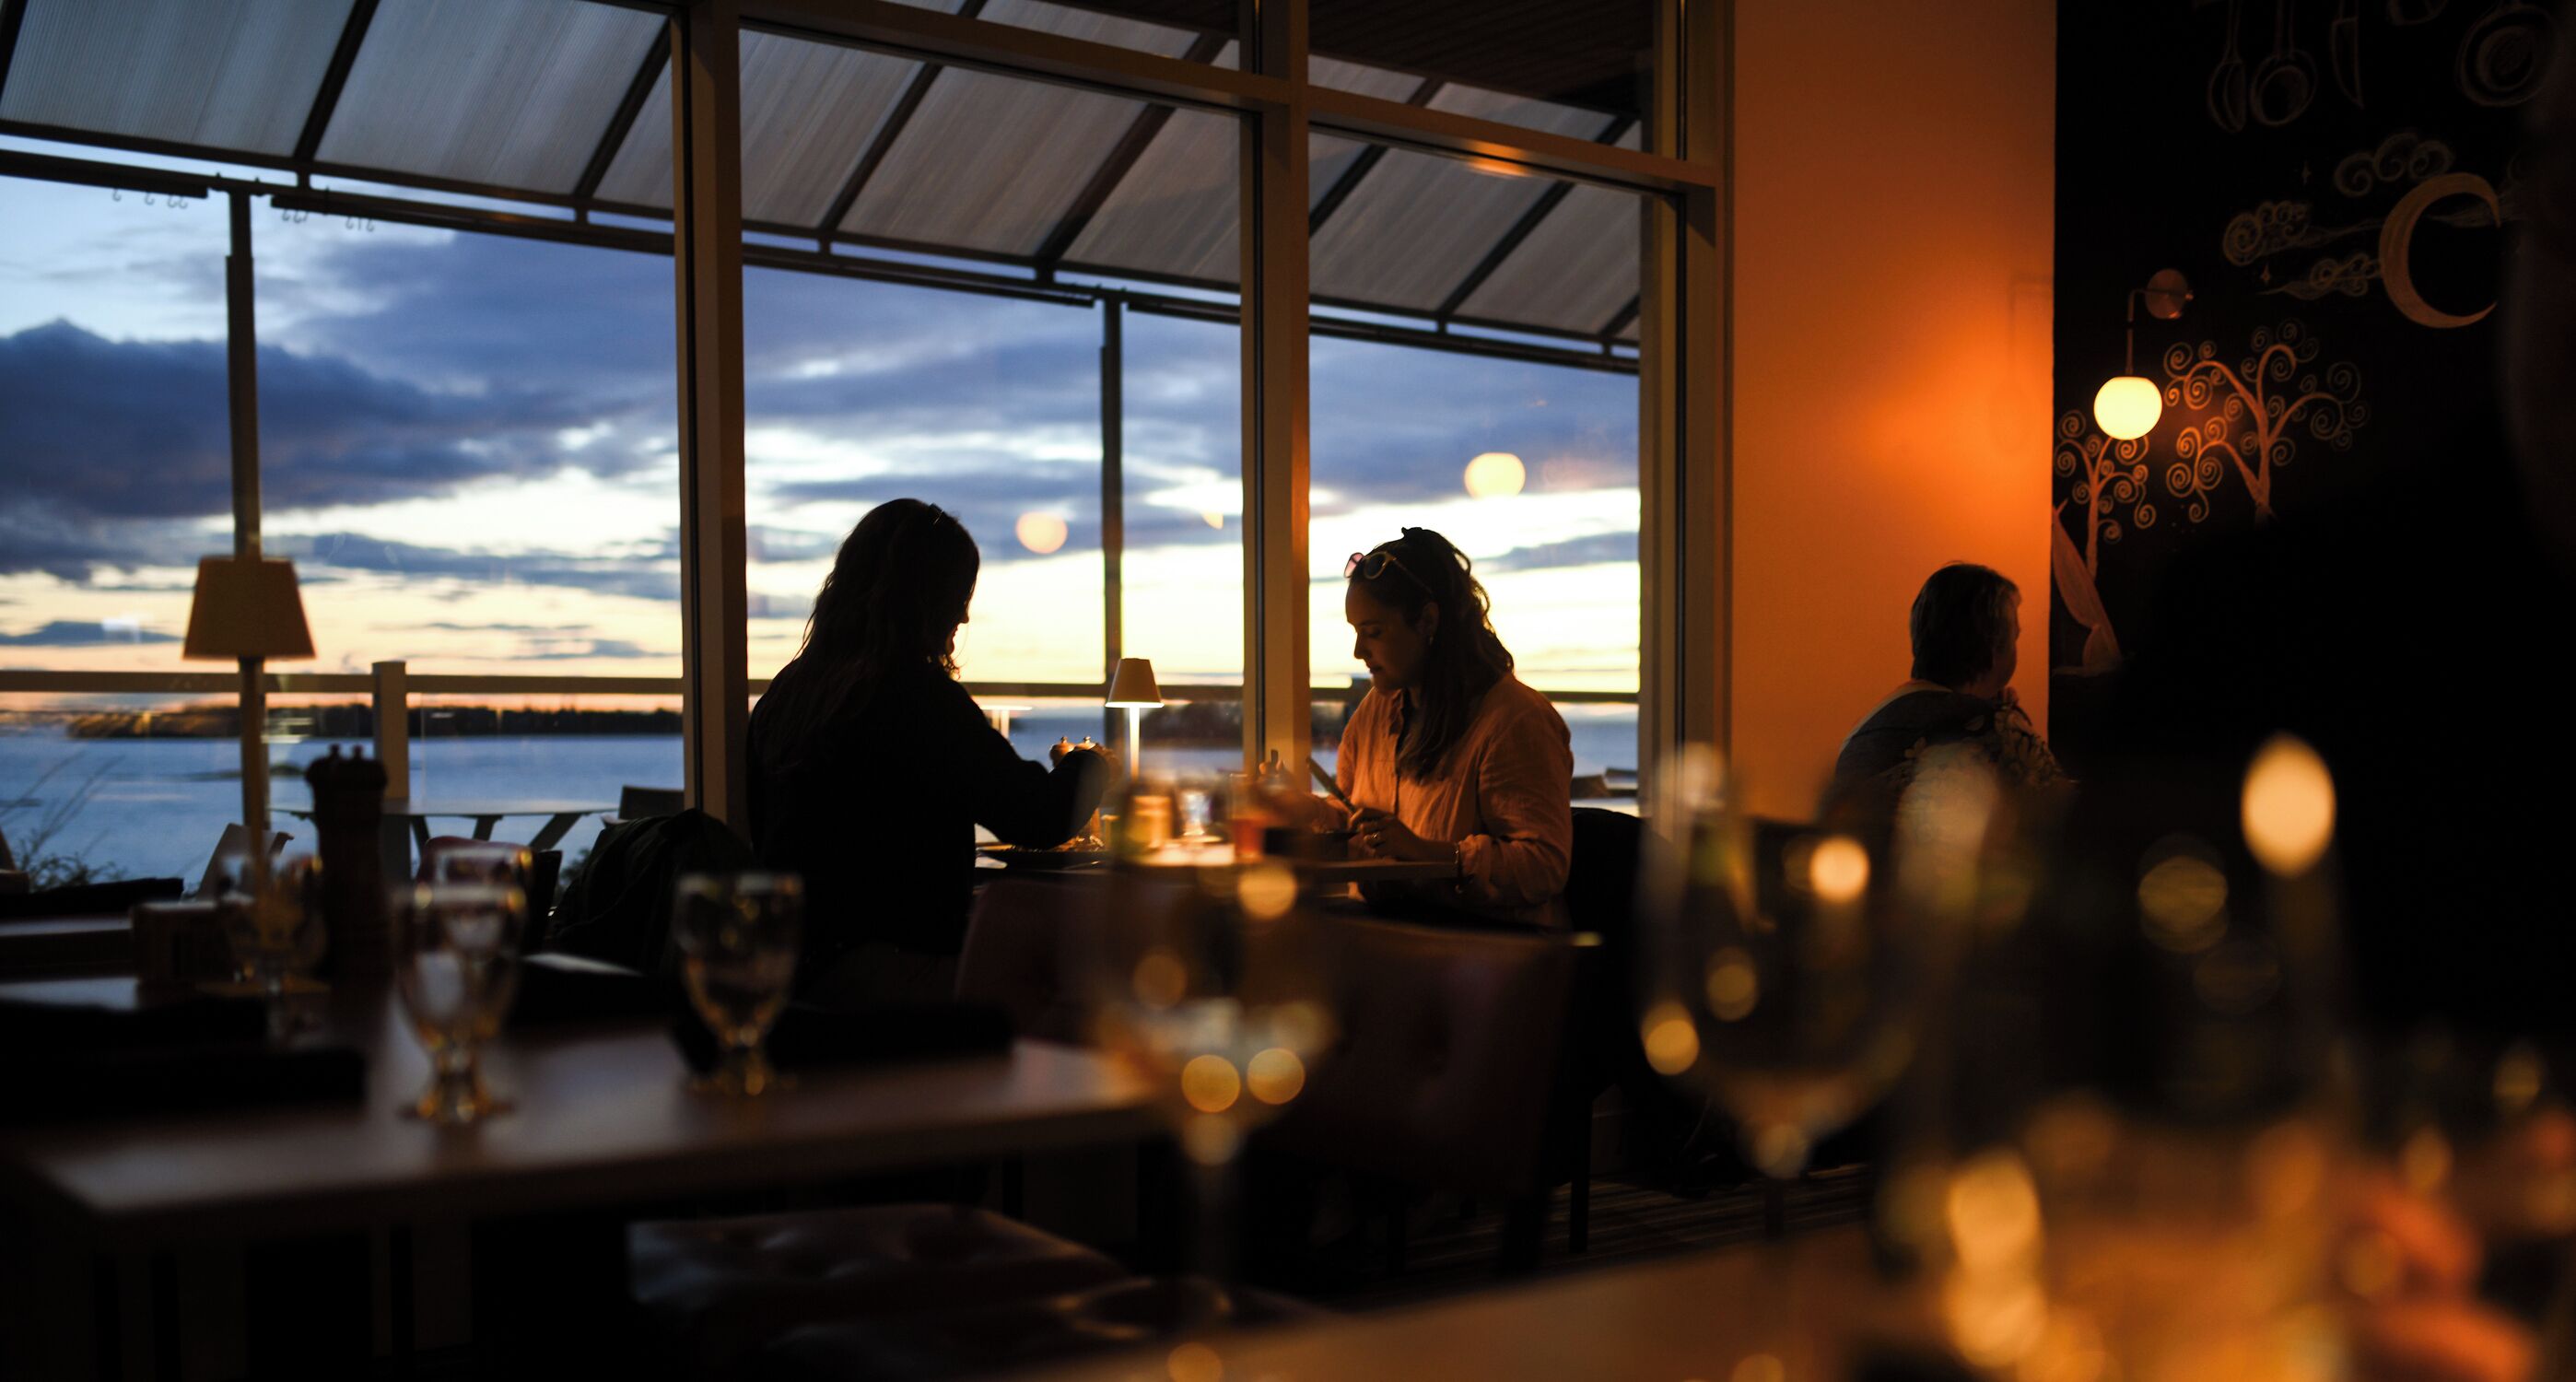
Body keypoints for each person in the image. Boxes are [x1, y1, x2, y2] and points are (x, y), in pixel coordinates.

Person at [747, 499, 1112, 1006]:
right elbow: (1037, 817)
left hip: (793, 979)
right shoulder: (916, 697)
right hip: (890, 979)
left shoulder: (788, 695)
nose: (964, 615)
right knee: (1081, 978)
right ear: (926, 600)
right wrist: (1093, 765)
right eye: (958, 596)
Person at [1330, 527, 1574, 928]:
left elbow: (1544, 866)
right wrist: (1301, 813)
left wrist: (1430, 854)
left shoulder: (1515, 720)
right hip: (1398, 935)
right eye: (1356, 632)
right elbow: (1349, 810)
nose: (1359, 651)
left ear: (1427, 621)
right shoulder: (1378, 709)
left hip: (1488, 947)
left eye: (1374, 632)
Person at [1819, 562, 2065, 840]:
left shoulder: (1859, 737)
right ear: (1994, 646)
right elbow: (2066, 828)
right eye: (2015, 637)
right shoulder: (1997, 730)